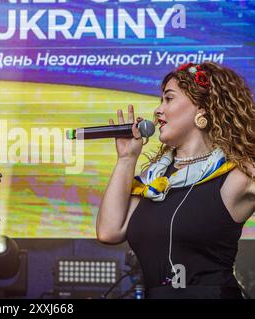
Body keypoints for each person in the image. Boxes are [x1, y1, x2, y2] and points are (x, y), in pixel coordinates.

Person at [96, 62, 254, 299]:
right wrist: (126, 159)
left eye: (168, 99)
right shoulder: (153, 183)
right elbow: (109, 231)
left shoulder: (235, 175)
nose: (158, 111)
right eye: (160, 101)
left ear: (203, 108)